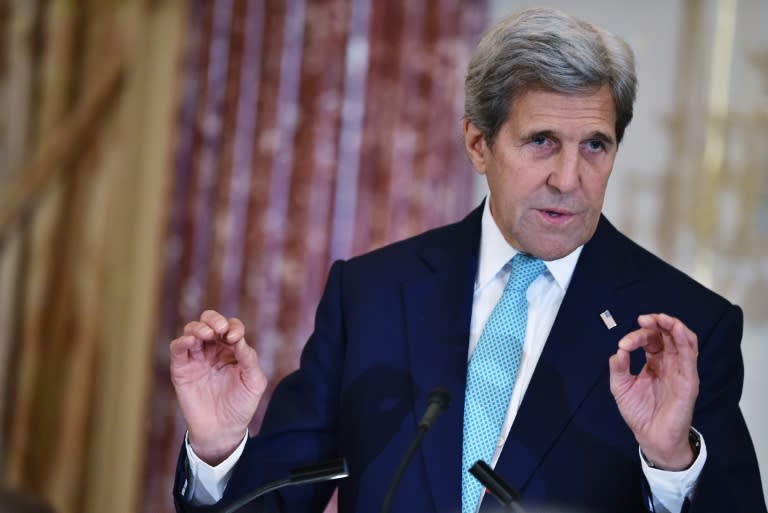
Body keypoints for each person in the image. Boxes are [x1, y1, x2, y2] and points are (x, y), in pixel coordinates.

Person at [169, 7, 766, 513]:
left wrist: (670, 465)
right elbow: (272, 500)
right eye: (541, 143)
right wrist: (219, 451)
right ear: (479, 143)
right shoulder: (372, 295)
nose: (569, 179)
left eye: (595, 146)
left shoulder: (683, 328)